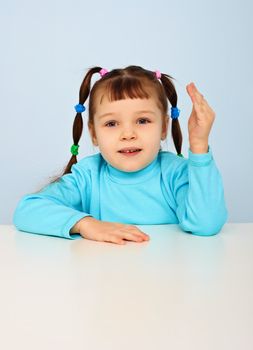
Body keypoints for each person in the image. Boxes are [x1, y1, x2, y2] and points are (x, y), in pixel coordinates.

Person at [13, 65, 228, 244]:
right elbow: (27, 210)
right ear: (94, 134)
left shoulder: (175, 173)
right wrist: (87, 225)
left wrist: (199, 145)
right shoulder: (87, 176)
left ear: (163, 128)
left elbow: (206, 224)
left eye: (142, 121)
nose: (128, 134)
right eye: (111, 123)